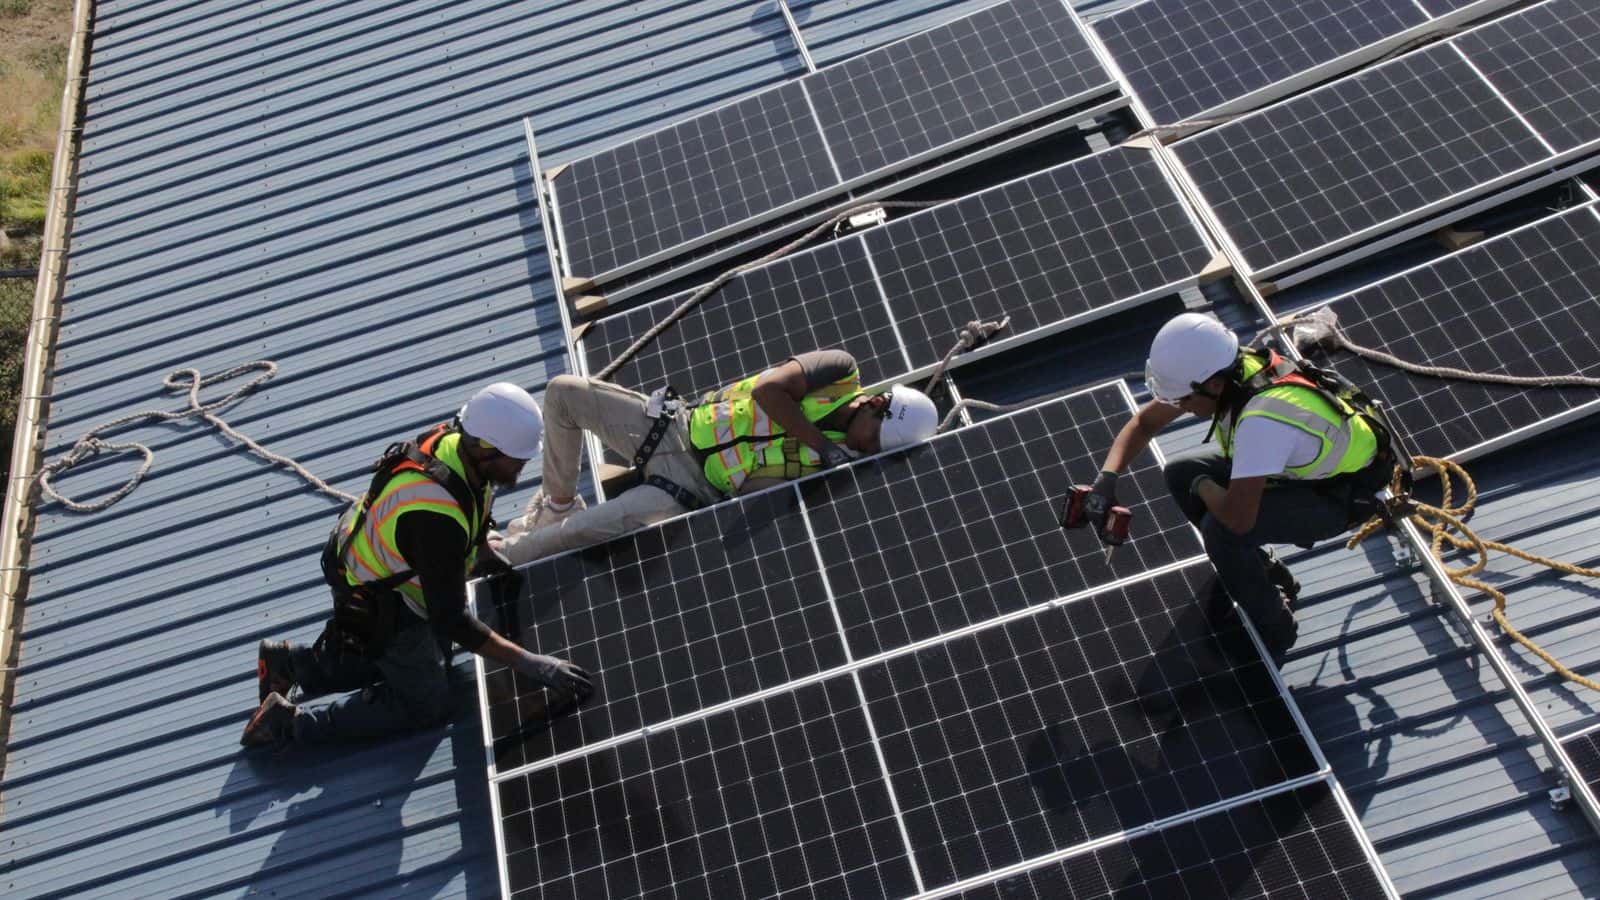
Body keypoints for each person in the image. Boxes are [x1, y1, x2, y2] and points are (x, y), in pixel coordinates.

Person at [241, 383, 593, 748]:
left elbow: (472, 504)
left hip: (382, 567)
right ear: (486, 449)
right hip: (377, 594)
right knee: (427, 703)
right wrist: (531, 663)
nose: (522, 466)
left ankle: (290, 665)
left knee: (425, 656)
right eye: (516, 458)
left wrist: (484, 552)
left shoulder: (458, 446)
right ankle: (288, 725)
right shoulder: (435, 520)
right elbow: (451, 619)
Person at [1085, 313, 1391, 665]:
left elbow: (1238, 518)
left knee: (1222, 532)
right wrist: (1107, 479)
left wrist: (1202, 486)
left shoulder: (1262, 422)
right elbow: (1145, 422)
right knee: (1181, 471)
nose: (1180, 407)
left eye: (1184, 400)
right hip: (1303, 475)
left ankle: (1277, 625)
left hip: (1338, 498)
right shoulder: (1230, 366)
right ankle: (1264, 572)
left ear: (1213, 386)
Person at [494, 349, 939, 565]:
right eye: (876, 440)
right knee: (563, 394)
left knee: (582, 532)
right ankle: (556, 503)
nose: (868, 451)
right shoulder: (840, 372)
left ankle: (502, 555)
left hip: (689, 490)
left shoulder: (846, 472)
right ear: (878, 404)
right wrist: (823, 448)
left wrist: (835, 463)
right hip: (674, 427)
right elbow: (769, 391)